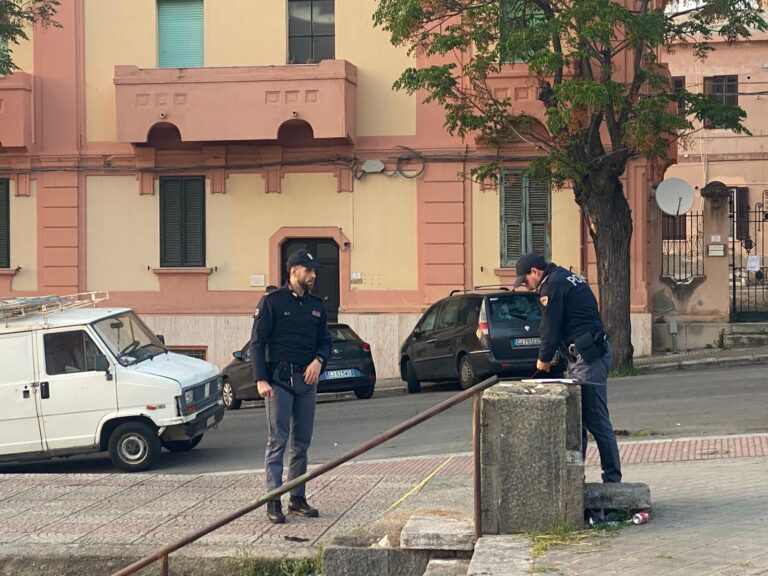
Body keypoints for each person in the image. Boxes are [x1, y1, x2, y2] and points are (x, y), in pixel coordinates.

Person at [514, 253, 622, 483]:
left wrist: (543, 358)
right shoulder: (565, 277)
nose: (526, 286)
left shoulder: (551, 286)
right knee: (576, 418)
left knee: (595, 419)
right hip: (582, 354)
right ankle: (574, 479)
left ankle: (612, 480)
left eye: (525, 280)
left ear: (535, 272)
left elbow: (550, 327)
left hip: (589, 357)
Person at [250, 249, 332, 523]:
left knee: (302, 444)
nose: (313, 275)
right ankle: (273, 499)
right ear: (294, 271)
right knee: (278, 442)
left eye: (314, 270)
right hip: (279, 382)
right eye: (308, 270)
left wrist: (319, 361)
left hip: (306, 382)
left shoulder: (316, 305)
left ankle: (297, 498)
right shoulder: (272, 302)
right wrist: (261, 379)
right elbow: (257, 342)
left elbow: (325, 341)